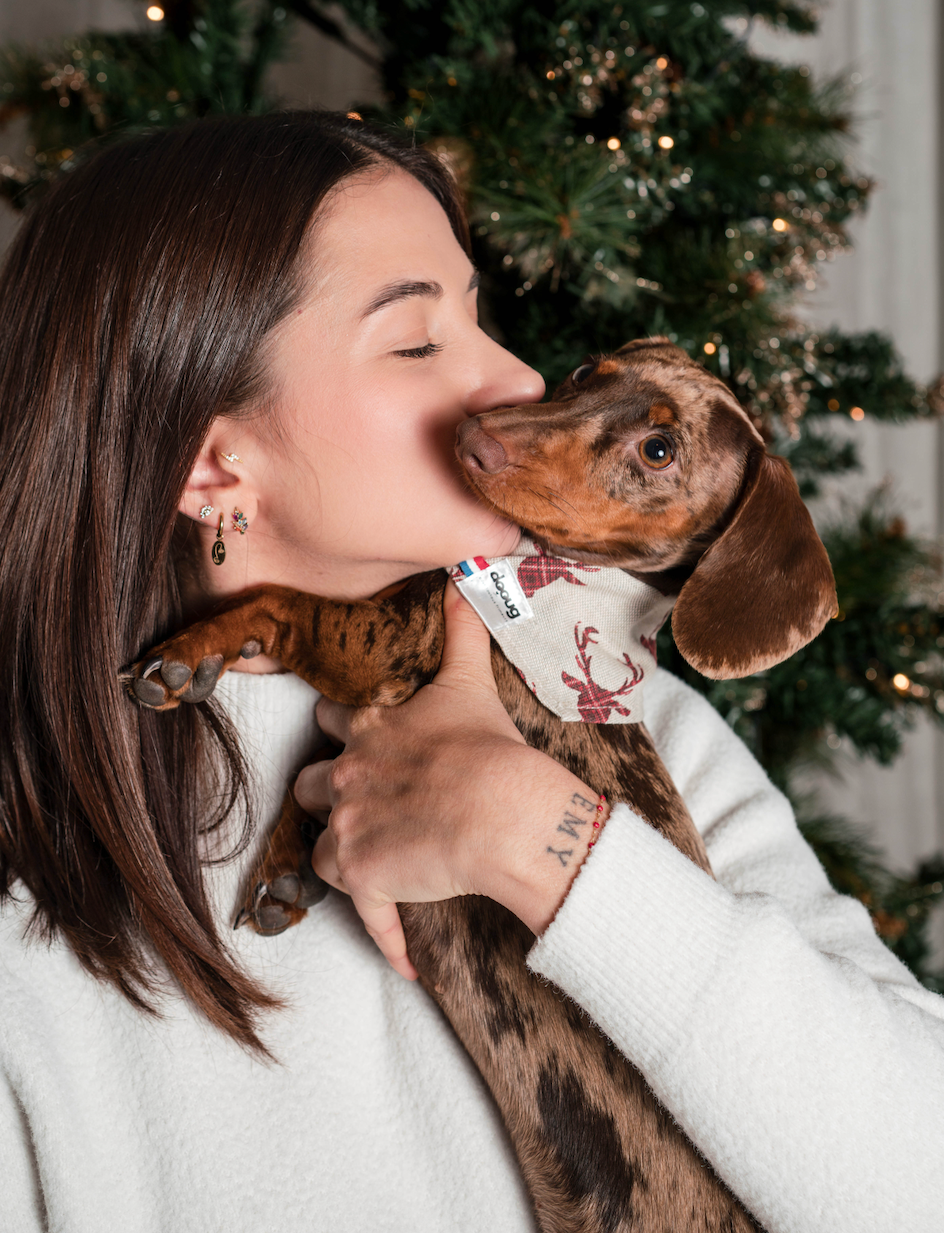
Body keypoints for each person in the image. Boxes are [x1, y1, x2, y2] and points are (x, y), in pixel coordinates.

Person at [0, 111, 941, 1233]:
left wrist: (545, 843)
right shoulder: (34, 929)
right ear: (215, 464)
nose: (515, 376)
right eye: (415, 340)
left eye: (478, 314)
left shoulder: (639, 730)